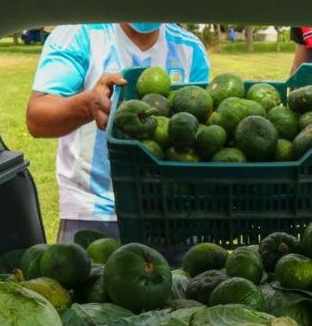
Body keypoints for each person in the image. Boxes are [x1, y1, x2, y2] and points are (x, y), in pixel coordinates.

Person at [26, 22, 210, 243]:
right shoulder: (79, 35)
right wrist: (86, 106)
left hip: (172, 211)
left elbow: (202, 125)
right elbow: (37, 118)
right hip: (92, 209)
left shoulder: (190, 49)